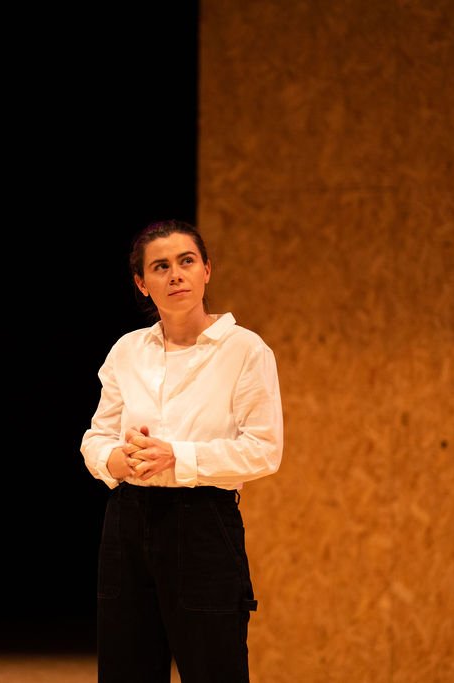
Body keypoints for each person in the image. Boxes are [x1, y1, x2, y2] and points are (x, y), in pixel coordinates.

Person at [80, 219, 284, 683]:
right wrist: (117, 460)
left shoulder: (244, 350)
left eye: (186, 261)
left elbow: (264, 449)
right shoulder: (128, 350)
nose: (175, 274)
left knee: (213, 669)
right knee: (126, 668)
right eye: (160, 266)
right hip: (127, 522)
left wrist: (178, 457)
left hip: (202, 523)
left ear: (206, 270)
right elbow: (97, 437)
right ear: (142, 283)